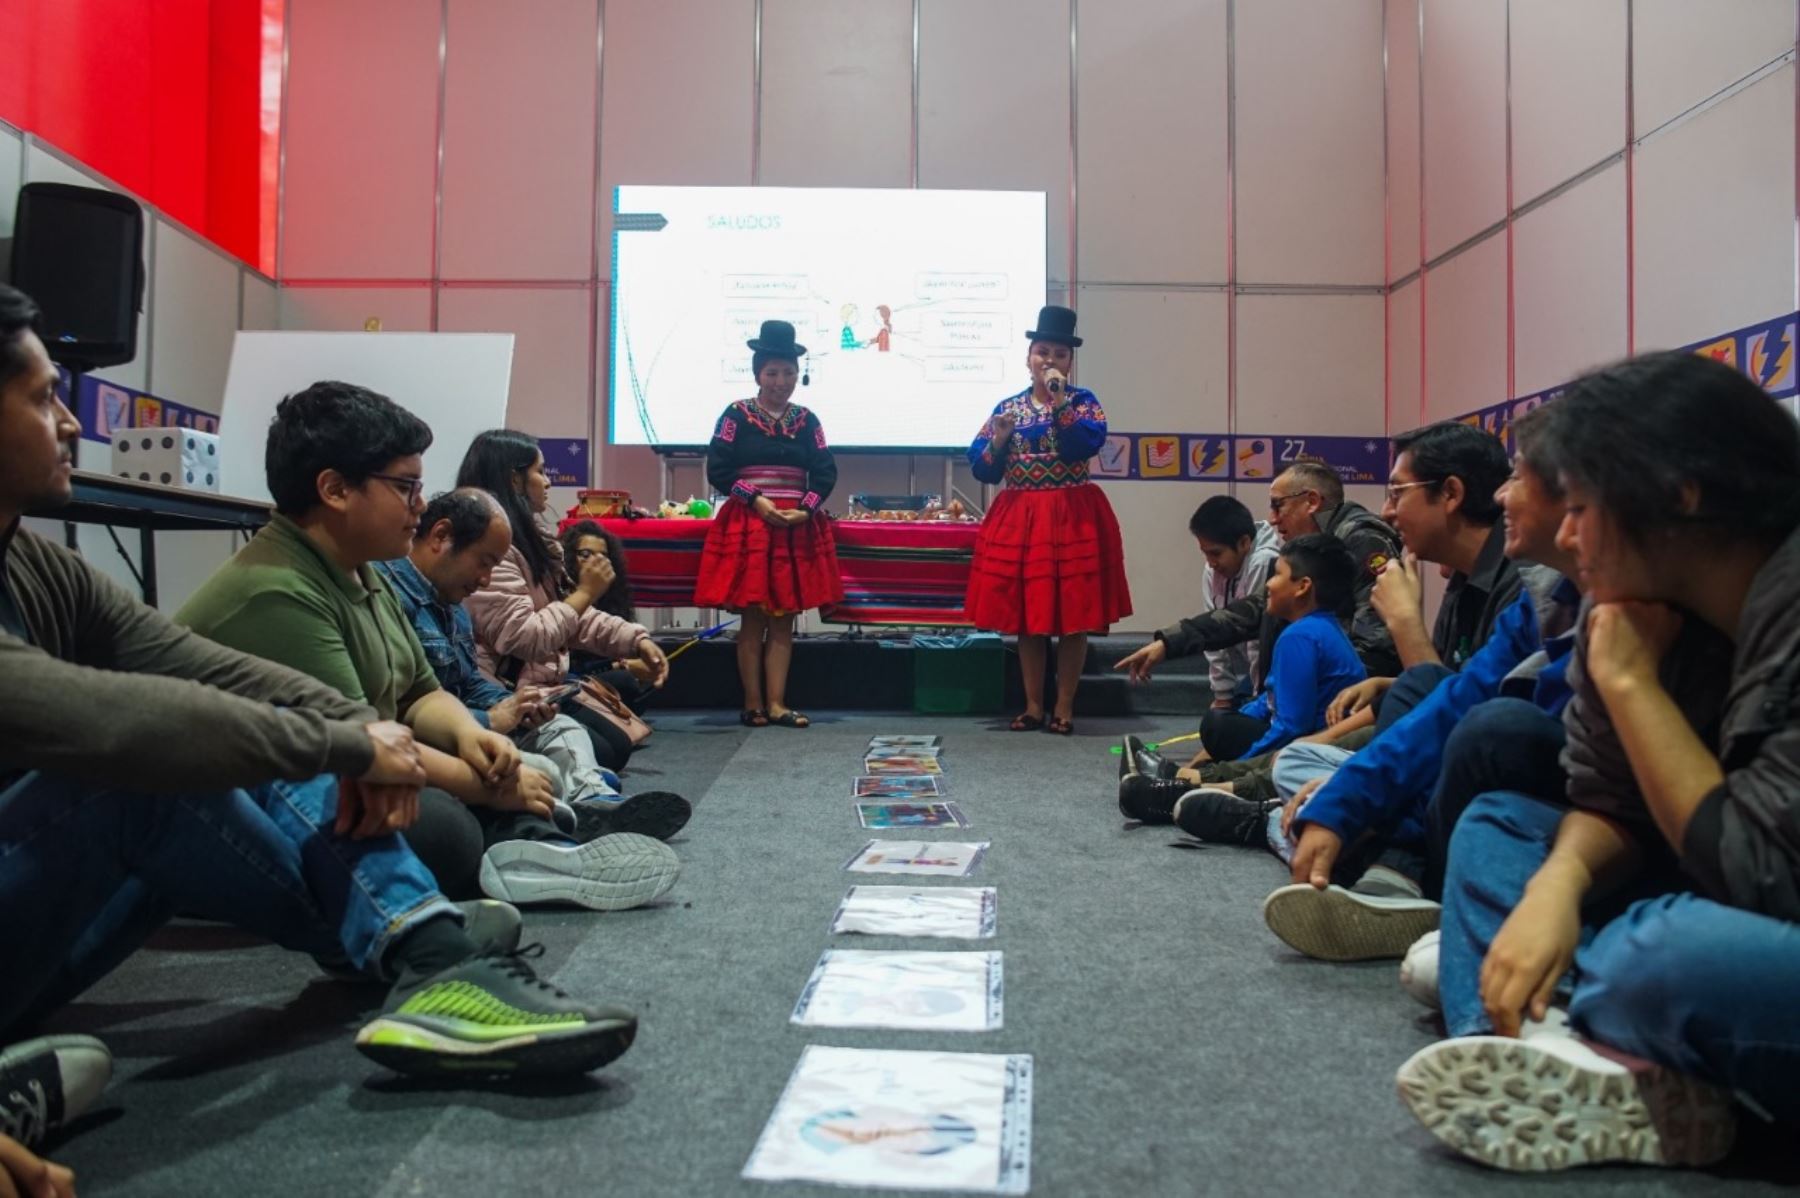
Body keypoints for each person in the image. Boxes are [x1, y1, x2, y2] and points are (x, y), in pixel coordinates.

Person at [0, 282, 635, 1094]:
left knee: (267, 744)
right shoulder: (280, 584)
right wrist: (353, 743)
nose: (71, 422)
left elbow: (183, 661)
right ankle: (418, 944)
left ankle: (412, 943)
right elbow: (103, 716)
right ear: (336, 489)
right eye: (45, 397)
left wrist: (357, 736)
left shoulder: (38, 562)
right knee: (162, 763)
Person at [1396, 350, 1800, 1172]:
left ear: (1681, 494)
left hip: (1761, 898)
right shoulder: (1631, 604)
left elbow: (1762, 871)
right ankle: (1532, 1051)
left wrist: (1628, 681)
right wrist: (1558, 885)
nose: (1568, 534)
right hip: (1723, 879)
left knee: (1657, 958)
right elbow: (1609, 795)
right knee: (1503, 823)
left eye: (1581, 505)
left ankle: (1580, 1022)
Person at [177, 383, 680, 912]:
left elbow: (420, 692)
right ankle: (530, 842)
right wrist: (485, 782)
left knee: (495, 778)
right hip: (259, 798)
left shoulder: (362, 573)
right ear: (334, 489)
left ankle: (534, 845)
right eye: (405, 487)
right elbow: (358, 745)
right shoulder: (279, 590)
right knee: (442, 827)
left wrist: (471, 736)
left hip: (356, 759)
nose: (419, 505)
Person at [1255, 406, 1580, 961]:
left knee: (1483, 727)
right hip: (1456, 767)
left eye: (1521, 478)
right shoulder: (1545, 594)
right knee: (1368, 733)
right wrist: (1349, 792)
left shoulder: (1520, 580)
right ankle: (1376, 859)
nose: (1505, 496)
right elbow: (1453, 694)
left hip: (1519, 783)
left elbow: (1464, 709)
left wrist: (1404, 627)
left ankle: (1379, 861)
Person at [375, 489, 692, 843]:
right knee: (534, 777)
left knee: (561, 730)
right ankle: (564, 821)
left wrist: (515, 705)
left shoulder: (454, 599)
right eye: (405, 487)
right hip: (434, 742)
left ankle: (589, 800)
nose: (484, 579)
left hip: (470, 725)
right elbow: (395, 715)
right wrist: (487, 721)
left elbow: (459, 686)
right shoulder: (388, 591)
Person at [456, 429, 670, 766]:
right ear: (514, 481)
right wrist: (586, 592)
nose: (548, 482)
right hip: (504, 692)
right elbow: (525, 637)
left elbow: (570, 614)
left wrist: (635, 640)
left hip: (546, 684)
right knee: (604, 751)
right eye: (540, 472)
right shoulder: (492, 549)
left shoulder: (533, 538)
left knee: (615, 745)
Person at [965, 305, 1131, 735]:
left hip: (1070, 516)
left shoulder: (1082, 402)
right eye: (1042, 352)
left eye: (1059, 353)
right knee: (1027, 618)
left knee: (1073, 617)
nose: (1049, 360)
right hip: (1022, 517)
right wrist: (999, 439)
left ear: (1069, 362)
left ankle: (1064, 707)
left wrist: (1059, 405)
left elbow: (1083, 445)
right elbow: (983, 469)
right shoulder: (1008, 408)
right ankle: (1033, 705)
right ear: (1028, 357)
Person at [1120, 534, 1363, 825]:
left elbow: (1292, 726)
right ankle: (1182, 776)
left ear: (1302, 587)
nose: (1268, 585)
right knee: (1226, 718)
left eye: (1277, 575)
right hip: (1304, 737)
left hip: (1308, 745)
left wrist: (1242, 764)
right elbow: (1271, 699)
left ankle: (1185, 781)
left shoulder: (1302, 636)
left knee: (1219, 727)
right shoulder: (1315, 628)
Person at [696, 319, 842, 728]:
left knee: (784, 618)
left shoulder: (808, 420)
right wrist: (757, 500)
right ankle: (753, 703)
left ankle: (777, 703)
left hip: (794, 524)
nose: (781, 381)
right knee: (753, 618)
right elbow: (719, 469)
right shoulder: (736, 415)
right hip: (751, 524)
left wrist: (806, 509)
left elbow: (825, 471)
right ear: (758, 373)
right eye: (773, 373)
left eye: (789, 373)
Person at [561, 518, 657, 713]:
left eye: (603, 556)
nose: (596, 562)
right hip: (569, 677)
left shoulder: (614, 594)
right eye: (586, 554)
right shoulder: (560, 590)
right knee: (625, 681)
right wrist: (619, 666)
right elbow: (561, 664)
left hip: (604, 673)